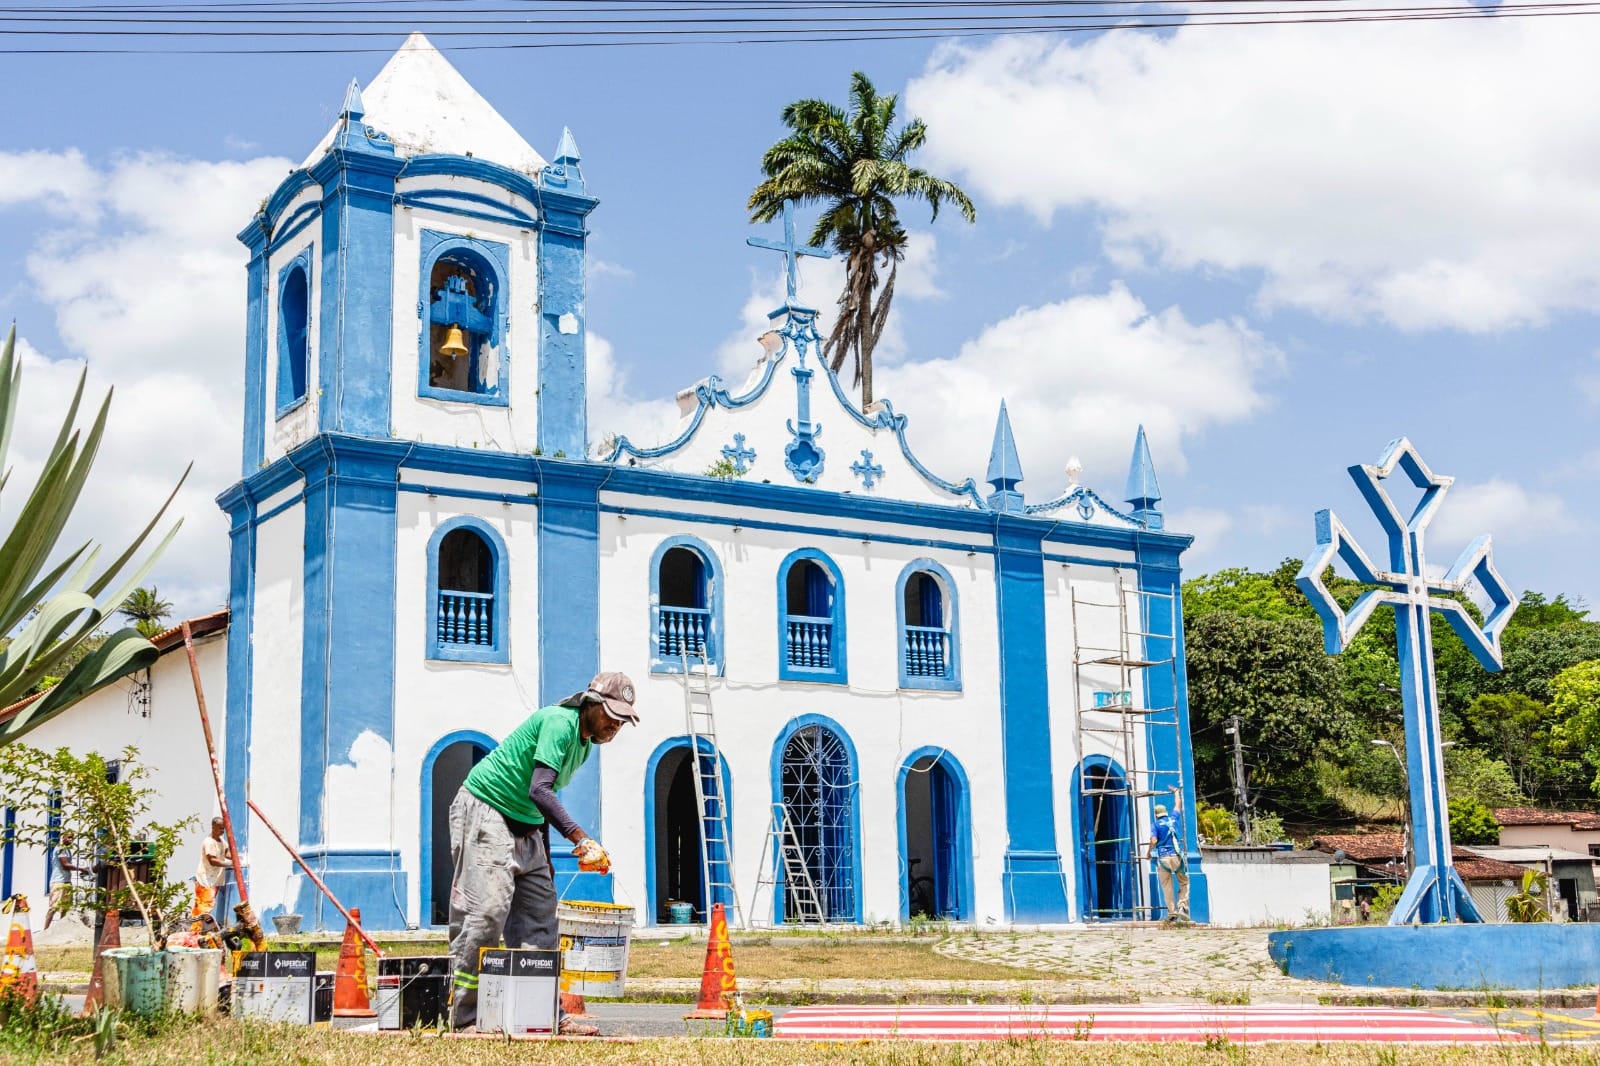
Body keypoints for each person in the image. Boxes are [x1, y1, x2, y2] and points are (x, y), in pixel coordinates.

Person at [448, 671, 639, 1035]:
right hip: (485, 808)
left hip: (526, 824)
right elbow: (541, 790)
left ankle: (541, 1015)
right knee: (486, 912)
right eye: (612, 716)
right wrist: (581, 839)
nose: (615, 726)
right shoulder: (559, 722)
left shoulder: (584, 743)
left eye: (622, 720)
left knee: (541, 917)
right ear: (592, 704)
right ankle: (464, 1017)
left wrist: (546, 865)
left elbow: (539, 803)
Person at [1149, 789, 1190, 922]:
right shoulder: (1173, 819)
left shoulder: (1155, 824)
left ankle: (1172, 913)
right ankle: (1183, 906)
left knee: (1167, 886)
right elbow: (1178, 805)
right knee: (1183, 882)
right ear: (1165, 813)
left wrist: (1148, 852)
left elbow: (1154, 840)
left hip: (1163, 860)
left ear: (1156, 815)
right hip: (1177, 857)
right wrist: (1176, 792)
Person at [44, 832, 93, 930]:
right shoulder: (60, 849)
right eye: (69, 837)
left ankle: (61, 930)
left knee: (65, 909)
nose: (71, 840)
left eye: (72, 838)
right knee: (53, 907)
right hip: (58, 882)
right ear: (63, 837)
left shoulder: (67, 850)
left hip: (66, 881)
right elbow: (65, 865)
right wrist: (81, 869)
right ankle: (45, 930)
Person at [192, 817, 230, 924]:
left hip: (214, 879)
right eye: (220, 828)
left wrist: (236, 858)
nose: (222, 831)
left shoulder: (222, 841)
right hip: (205, 879)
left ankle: (196, 930)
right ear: (213, 827)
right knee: (204, 906)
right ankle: (197, 930)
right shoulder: (209, 842)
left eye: (223, 829)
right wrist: (228, 863)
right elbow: (212, 860)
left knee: (203, 905)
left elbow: (226, 853)